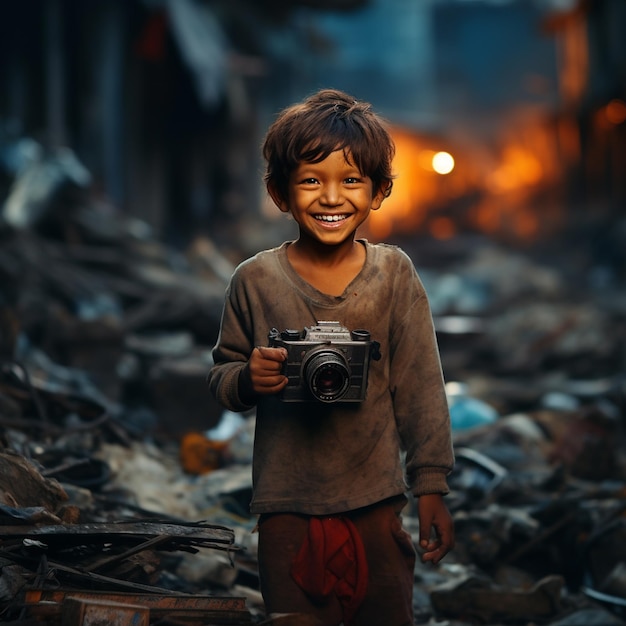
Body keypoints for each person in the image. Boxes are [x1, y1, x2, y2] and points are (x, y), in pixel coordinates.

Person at [207, 88, 455, 626]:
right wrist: (249, 378)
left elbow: (421, 386)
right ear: (279, 193)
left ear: (379, 191)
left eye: (351, 181)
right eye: (311, 180)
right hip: (285, 503)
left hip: (376, 499)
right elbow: (221, 377)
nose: (331, 197)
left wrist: (431, 484)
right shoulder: (255, 280)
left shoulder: (393, 275)